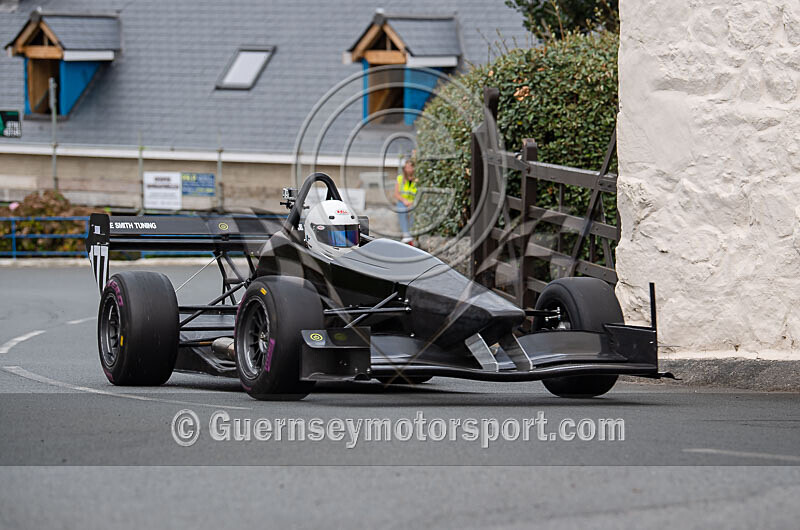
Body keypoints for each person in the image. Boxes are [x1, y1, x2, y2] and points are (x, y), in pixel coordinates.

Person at [394, 159, 417, 243]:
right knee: (401, 208)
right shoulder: (400, 178)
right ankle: (405, 234)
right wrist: (404, 201)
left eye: (411, 167)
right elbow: (396, 194)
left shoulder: (417, 179)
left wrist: (412, 202)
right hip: (403, 202)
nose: (409, 169)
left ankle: (411, 233)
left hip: (413, 202)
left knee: (413, 211)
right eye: (407, 167)